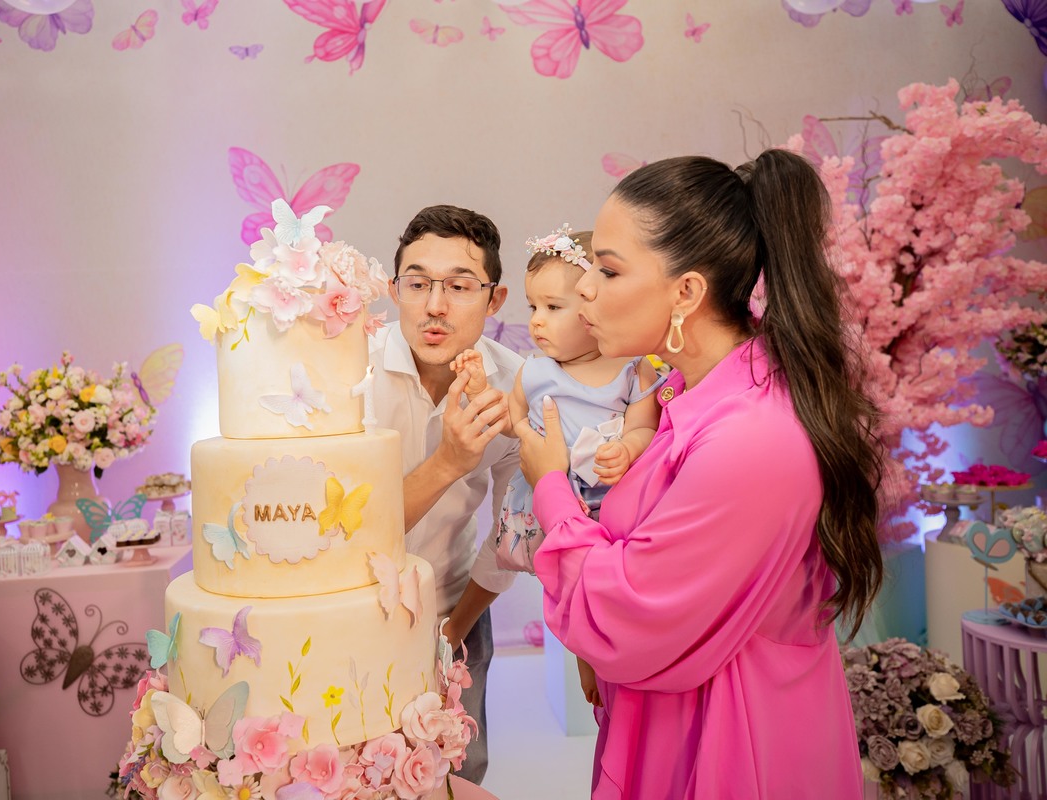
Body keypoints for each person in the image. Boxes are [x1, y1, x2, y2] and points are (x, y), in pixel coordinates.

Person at [515, 151, 885, 799]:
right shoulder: (694, 391)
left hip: (732, 744)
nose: (585, 291)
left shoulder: (750, 437)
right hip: (683, 720)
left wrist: (551, 487)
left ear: (686, 292)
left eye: (607, 270)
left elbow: (627, 611)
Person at [447, 225, 664, 708]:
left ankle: (600, 649)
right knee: (561, 582)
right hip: (548, 501)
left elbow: (645, 427)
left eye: (553, 307)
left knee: (601, 585)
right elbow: (511, 423)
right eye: (533, 308)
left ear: (594, 306)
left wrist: (627, 449)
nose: (538, 322)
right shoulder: (535, 370)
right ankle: (581, 653)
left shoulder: (632, 368)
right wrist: (481, 389)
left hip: (608, 503)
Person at [368, 204, 523, 784]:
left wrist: (455, 630)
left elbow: (513, 536)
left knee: (457, 773)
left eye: (459, 286)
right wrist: (449, 463)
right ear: (394, 291)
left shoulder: (515, 389)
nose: (435, 305)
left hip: (455, 609)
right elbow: (343, 531)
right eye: (417, 284)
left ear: (494, 299)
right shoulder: (351, 375)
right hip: (350, 610)